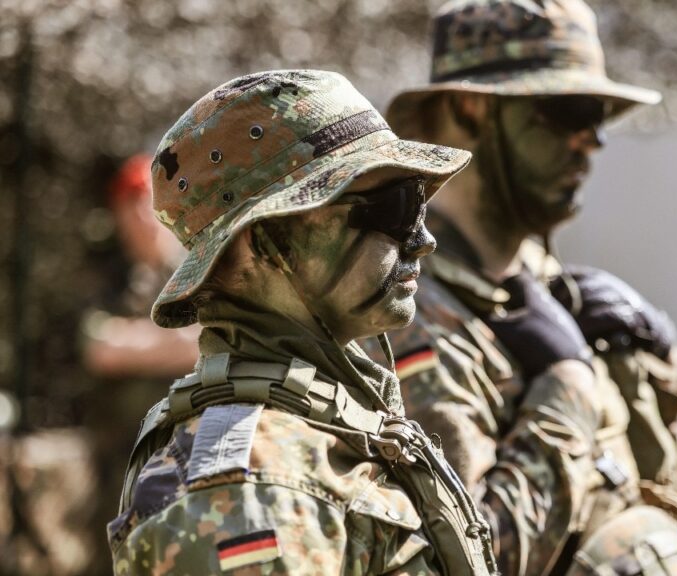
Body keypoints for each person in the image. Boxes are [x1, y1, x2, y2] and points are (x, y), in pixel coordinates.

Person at [107, 69, 499, 575]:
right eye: (395, 207)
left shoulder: (322, 427)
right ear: (261, 240)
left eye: (420, 204)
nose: (423, 241)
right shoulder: (244, 494)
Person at [374, 1, 677, 574]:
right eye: (569, 113)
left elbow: (650, 504)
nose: (592, 143)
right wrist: (571, 386)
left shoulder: (551, 291)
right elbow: (476, 556)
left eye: (599, 118)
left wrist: (653, 374)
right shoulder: (401, 308)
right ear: (472, 106)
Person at [79, 155, 200, 574]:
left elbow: (202, 346)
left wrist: (133, 342)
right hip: (121, 457)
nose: (140, 219)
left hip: (189, 451)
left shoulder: (197, 274)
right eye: (128, 208)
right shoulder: (104, 279)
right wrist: (172, 341)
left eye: (147, 204)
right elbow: (100, 351)